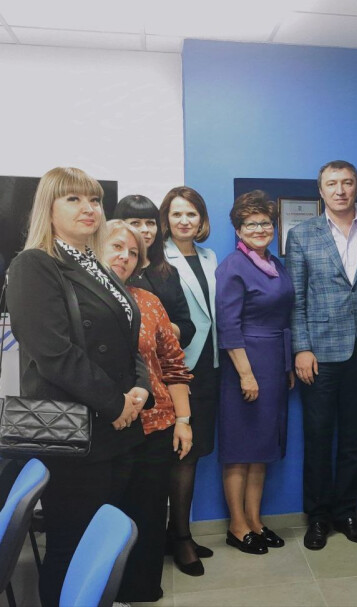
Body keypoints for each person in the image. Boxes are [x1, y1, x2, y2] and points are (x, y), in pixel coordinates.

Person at [6, 167, 150, 607]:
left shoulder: (97, 266)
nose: (89, 208)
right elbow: (54, 354)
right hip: (76, 433)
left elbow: (129, 341)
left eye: (94, 200)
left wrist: (140, 389)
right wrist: (115, 404)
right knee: (71, 549)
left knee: (100, 549)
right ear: (48, 208)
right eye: (73, 199)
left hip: (117, 429)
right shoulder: (35, 264)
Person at [286, 160, 357, 550]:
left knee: (355, 439)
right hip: (319, 353)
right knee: (317, 438)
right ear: (321, 191)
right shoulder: (301, 235)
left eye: (347, 183)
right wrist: (302, 348)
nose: (340, 190)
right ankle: (317, 517)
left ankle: (346, 513)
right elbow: (296, 299)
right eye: (332, 183)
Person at [101, 220, 193, 603]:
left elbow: (173, 364)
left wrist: (183, 420)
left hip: (156, 426)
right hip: (106, 429)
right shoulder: (78, 297)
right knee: (108, 516)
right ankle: (106, 592)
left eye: (133, 252)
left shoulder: (149, 301)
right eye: (116, 247)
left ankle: (141, 591)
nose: (125, 256)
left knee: (150, 514)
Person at [215, 190, 295, 554]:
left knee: (261, 447)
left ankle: (255, 520)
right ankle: (237, 525)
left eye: (265, 222)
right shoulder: (233, 266)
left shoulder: (275, 264)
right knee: (240, 447)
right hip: (245, 363)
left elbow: (284, 318)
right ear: (238, 229)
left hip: (274, 361)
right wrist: (246, 374)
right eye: (251, 224)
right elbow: (228, 326)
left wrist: (287, 364)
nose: (260, 229)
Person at [160, 186, 219, 575]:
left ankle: (179, 531)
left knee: (195, 451)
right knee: (180, 453)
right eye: (177, 213)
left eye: (192, 214)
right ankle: (179, 538)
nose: (185, 220)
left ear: (202, 220)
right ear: (167, 218)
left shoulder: (211, 256)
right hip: (177, 367)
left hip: (210, 366)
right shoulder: (156, 259)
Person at [114, 194, 196, 349]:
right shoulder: (110, 269)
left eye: (150, 223)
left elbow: (186, 327)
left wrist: (157, 325)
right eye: (136, 223)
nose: (145, 230)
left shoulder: (168, 272)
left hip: (161, 358)